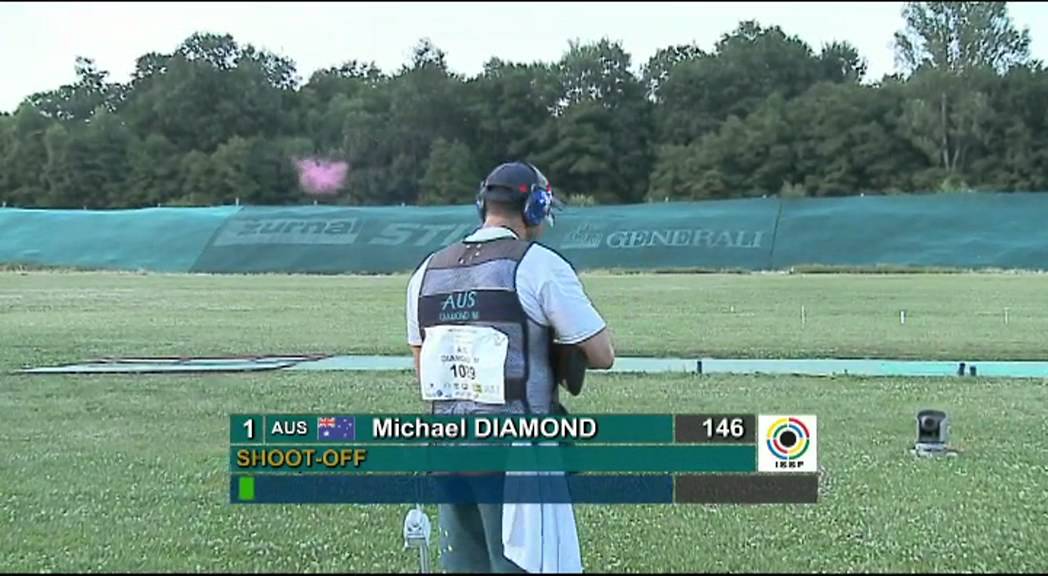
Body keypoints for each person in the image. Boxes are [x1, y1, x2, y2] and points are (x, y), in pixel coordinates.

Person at [405, 161, 615, 573]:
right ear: (535, 207)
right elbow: (602, 353)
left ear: (483, 204)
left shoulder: (427, 271)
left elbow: (423, 370)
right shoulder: (539, 264)